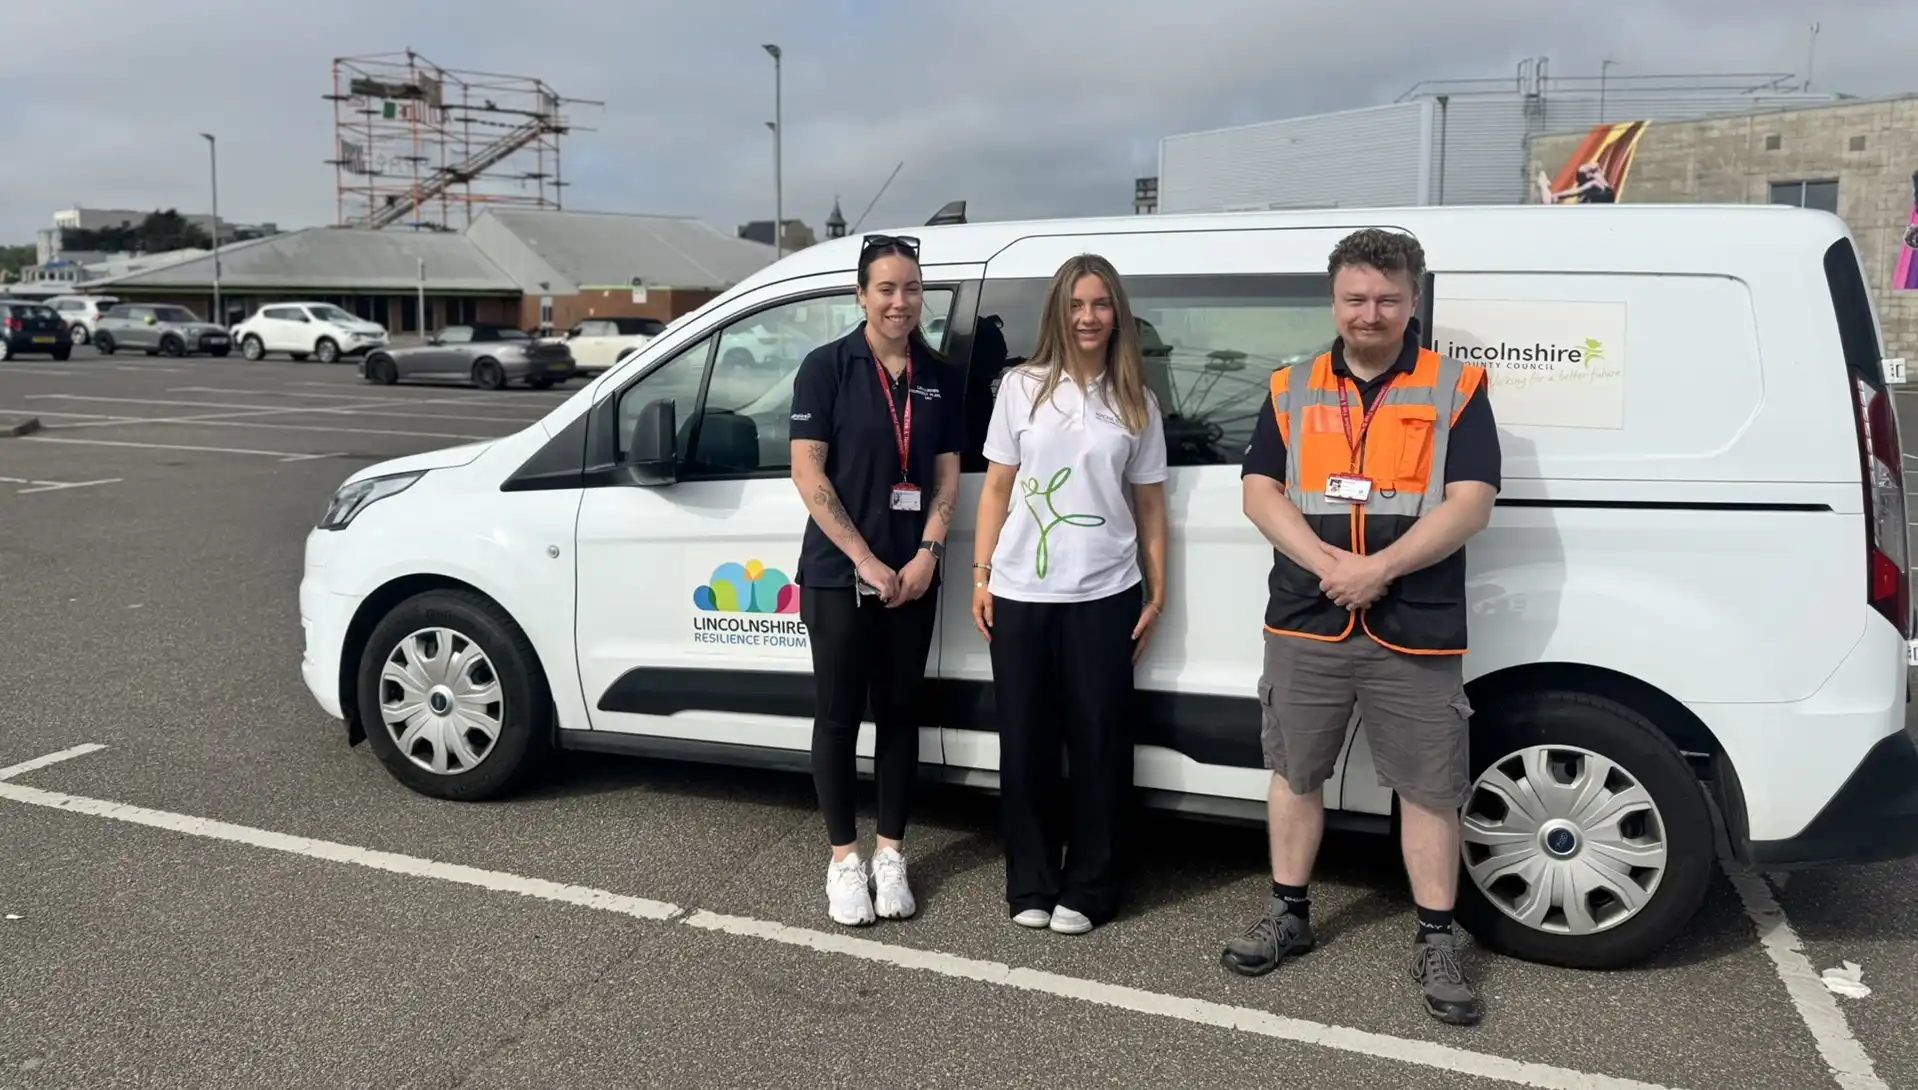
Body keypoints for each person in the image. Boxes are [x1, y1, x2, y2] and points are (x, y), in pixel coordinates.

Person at [1225, 228, 1501, 1026]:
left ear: (1414, 300)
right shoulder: (1292, 385)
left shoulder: (1458, 385)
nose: (1370, 312)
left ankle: (1438, 939)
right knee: (1295, 774)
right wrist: (1327, 564)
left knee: (1429, 788)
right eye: (1355, 298)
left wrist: (1376, 570)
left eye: (1386, 297)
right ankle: (1289, 913)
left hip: (1413, 622)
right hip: (1309, 619)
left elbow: (1471, 502)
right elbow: (1258, 491)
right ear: (1335, 300)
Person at [970, 254, 1170, 936]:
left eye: (1102, 304)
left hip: (1106, 591)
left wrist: (1158, 586)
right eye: (1077, 304)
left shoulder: (1136, 400)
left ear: (1117, 313)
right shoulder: (1020, 388)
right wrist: (980, 573)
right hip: (1021, 590)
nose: (1089, 317)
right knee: (1023, 743)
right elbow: (996, 488)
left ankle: (1091, 885)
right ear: (1059, 311)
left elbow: (1149, 505)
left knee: (1099, 746)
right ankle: (1030, 879)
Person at [789, 233, 963, 927]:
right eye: (886, 288)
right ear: (860, 295)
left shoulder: (939, 375)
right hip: (840, 576)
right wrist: (865, 560)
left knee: (899, 716)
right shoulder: (826, 368)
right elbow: (808, 472)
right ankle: (844, 860)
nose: (900, 301)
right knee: (836, 718)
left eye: (912, 288)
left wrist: (927, 553)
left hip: (913, 578)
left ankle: (891, 854)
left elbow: (947, 474)